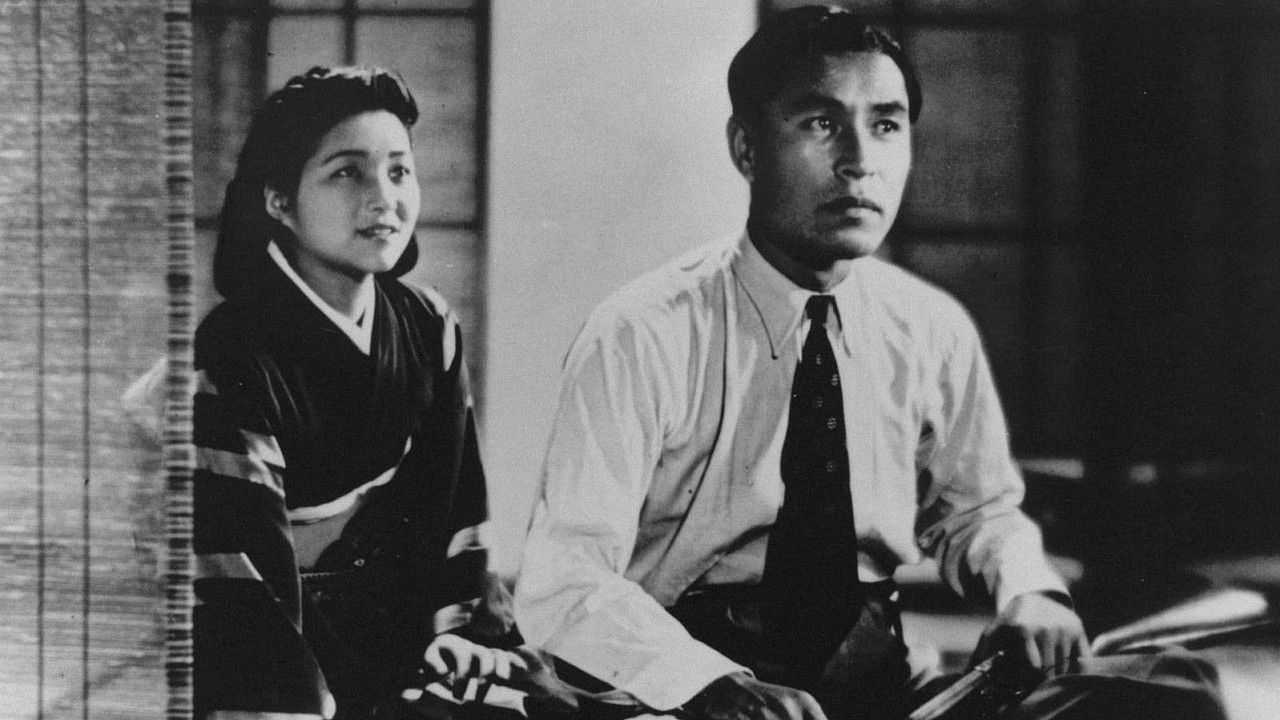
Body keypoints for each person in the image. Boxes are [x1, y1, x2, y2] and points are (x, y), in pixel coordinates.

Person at [514, 7, 1090, 720]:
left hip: (875, 673)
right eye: (821, 124)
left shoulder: (930, 327)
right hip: (682, 681)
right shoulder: (642, 333)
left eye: (886, 125)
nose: (859, 161)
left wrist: (1030, 588)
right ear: (746, 147)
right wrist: (707, 685)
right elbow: (564, 578)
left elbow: (976, 512)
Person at [193, 66, 526, 720]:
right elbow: (244, 590)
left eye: (399, 171)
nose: (384, 199)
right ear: (278, 200)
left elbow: (451, 509)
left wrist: (454, 638)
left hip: (400, 634)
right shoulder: (234, 354)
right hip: (271, 643)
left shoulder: (426, 325)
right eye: (348, 172)